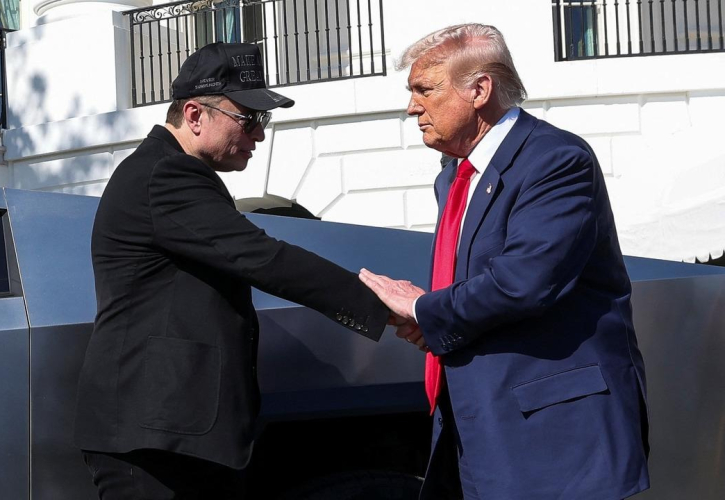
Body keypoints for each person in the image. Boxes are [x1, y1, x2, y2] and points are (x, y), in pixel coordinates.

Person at [74, 42, 389, 499]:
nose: (258, 134)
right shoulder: (166, 175)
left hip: (171, 432)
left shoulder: (166, 171)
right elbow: (262, 257)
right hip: (156, 439)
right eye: (248, 119)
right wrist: (383, 305)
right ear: (195, 115)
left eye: (264, 119)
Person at [359, 24, 649, 500]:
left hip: (553, 437)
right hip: (481, 432)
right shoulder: (454, 173)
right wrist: (433, 322)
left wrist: (424, 309)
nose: (412, 106)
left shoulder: (555, 159)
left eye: (424, 90)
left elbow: (523, 282)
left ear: (479, 90)